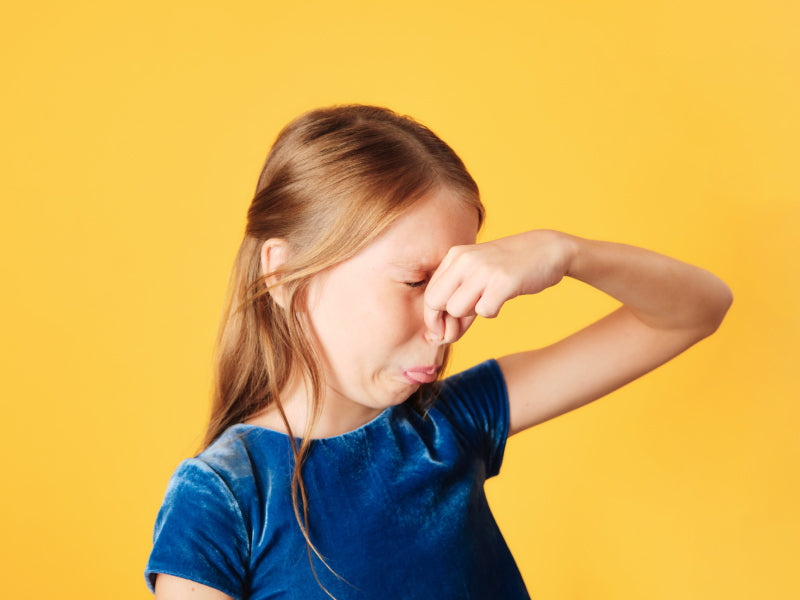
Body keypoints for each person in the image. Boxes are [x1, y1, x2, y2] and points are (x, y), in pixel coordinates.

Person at [144, 104, 732, 600]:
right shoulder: (222, 498)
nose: (448, 324)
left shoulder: (452, 424)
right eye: (416, 282)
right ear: (286, 273)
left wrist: (564, 253)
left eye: (459, 285)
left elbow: (698, 308)